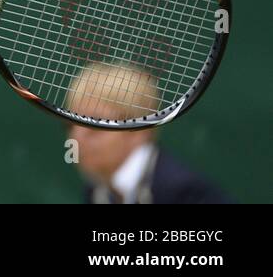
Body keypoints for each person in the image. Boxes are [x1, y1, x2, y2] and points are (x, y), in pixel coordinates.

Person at [65, 62, 232, 203]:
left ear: (139, 129)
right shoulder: (95, 191)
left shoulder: (187, 194)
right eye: (71, 125)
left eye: (95, 124)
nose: (77, 137)